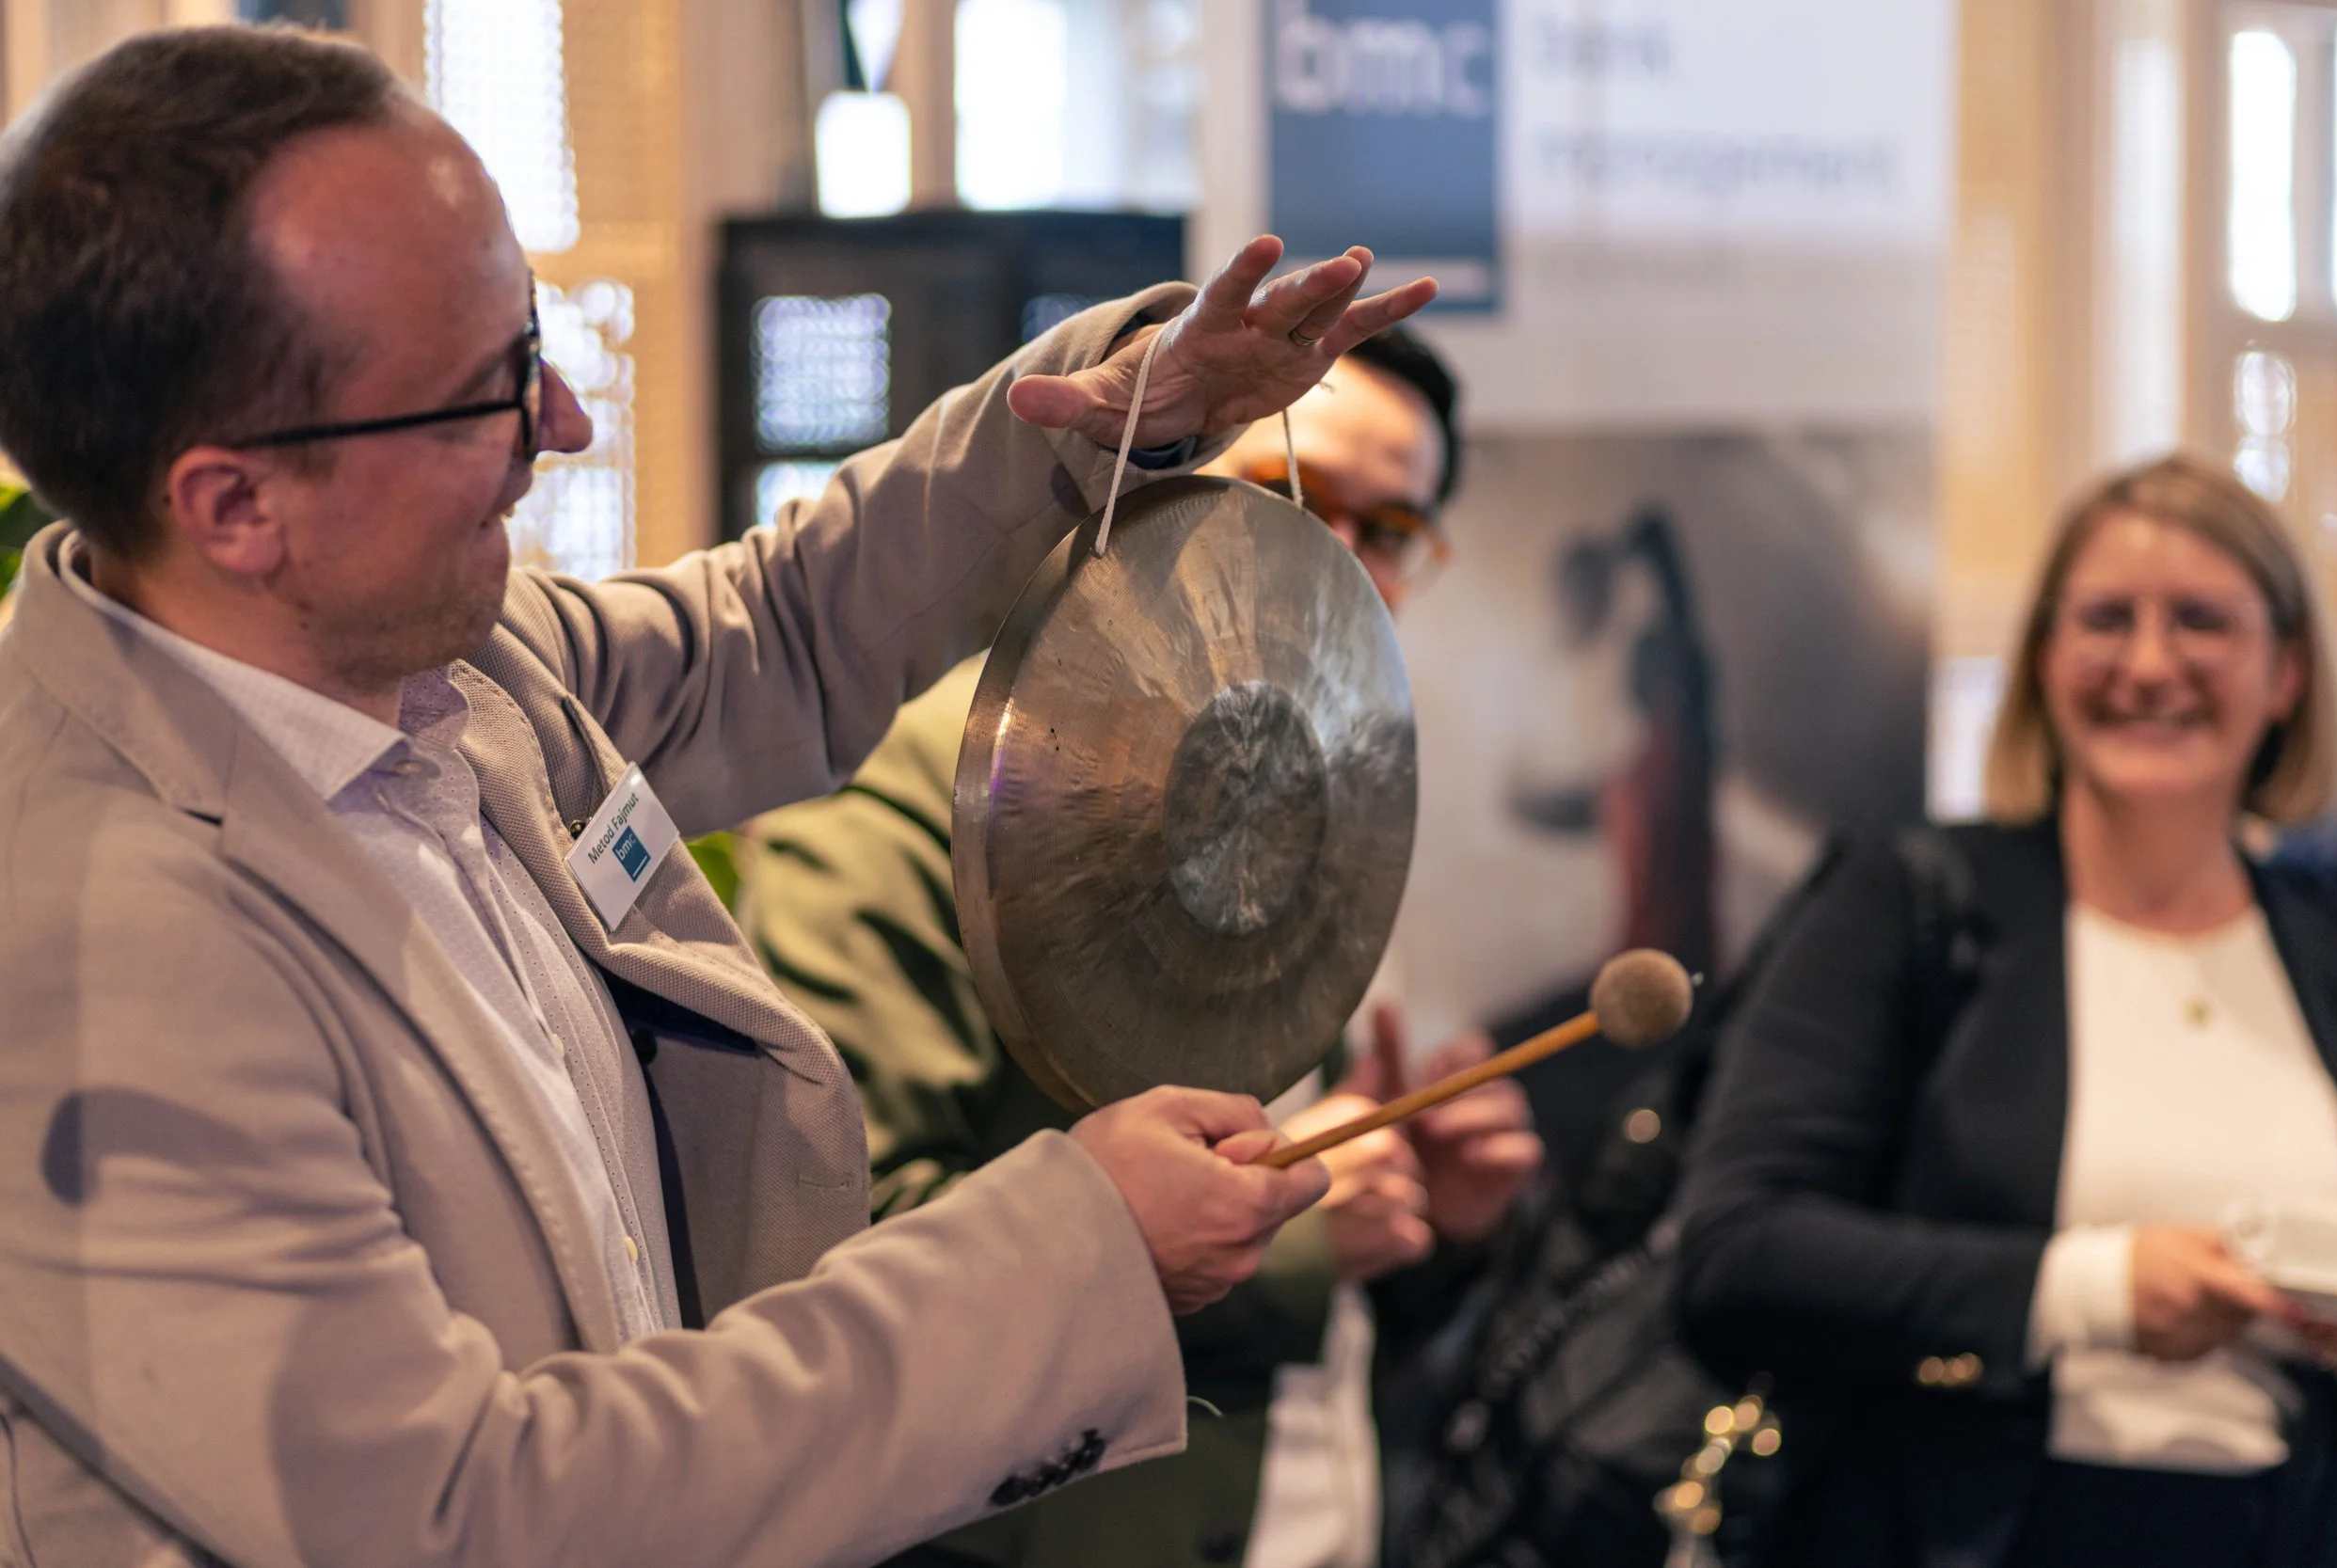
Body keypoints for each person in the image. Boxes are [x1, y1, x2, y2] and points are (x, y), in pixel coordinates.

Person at [0, 25, 1441, 1568]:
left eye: (536, 345)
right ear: (234, 503)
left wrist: (1125, 412)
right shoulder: (99, 955)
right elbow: (465, 1516)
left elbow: (782, 630)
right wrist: (1068, 1258)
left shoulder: (441, 664)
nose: (561, 426)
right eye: (487, 391)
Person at [734, 326, 1542, 1568]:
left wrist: (1410, 1206)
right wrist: (1278, 1250)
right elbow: (829, 1249)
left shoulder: (1328, 778)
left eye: (1388, 531)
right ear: (1154, 478)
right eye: (1288, 490)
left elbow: (1313, 1258)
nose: (1334, 555)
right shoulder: (927, 789)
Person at [1675, 453, 2337, 1567]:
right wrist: (2085, 1290)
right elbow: (1737, 1250)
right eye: (2103, 618)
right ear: (2042, 662)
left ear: (2284, 673)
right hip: (1970, 1530)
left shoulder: (2330, 952)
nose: (2147, 662)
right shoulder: (1906, 901)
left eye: (2198, 620)